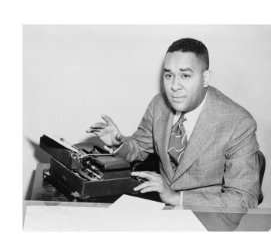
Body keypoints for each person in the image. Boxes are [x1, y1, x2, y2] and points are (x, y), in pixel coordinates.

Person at [87, 38, 260, 212]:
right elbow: (139, 147)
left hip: (208, 216)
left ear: (205, 78)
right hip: (162, 210)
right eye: (169, 75)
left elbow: (244, 200)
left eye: (185, 75)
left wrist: (176, 198)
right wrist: (119, 143)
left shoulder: (238, 123)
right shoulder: (158, 105)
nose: (174, 86)